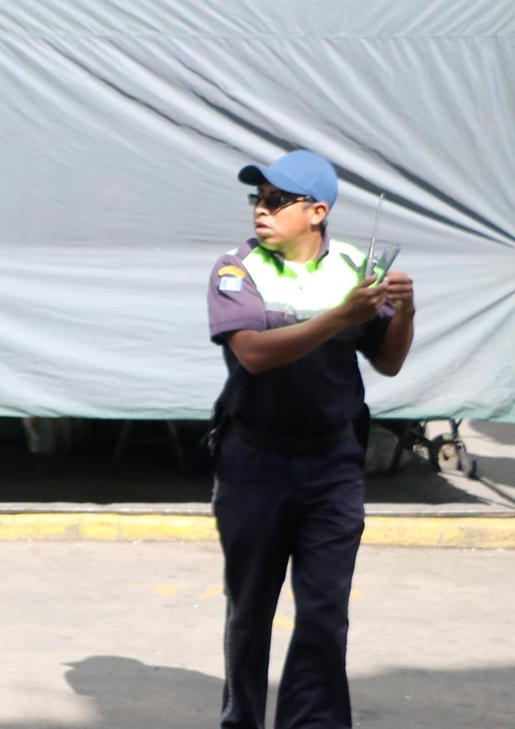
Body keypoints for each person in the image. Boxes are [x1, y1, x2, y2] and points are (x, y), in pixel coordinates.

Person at [206, 150, 415, 729]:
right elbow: (252, 354)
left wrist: (404, 313)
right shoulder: (237, 269)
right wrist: (340, 317)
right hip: (255, 461)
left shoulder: (354, 266)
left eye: (277, 200)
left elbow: (388, 362)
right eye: (258, 198)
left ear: (317, 211)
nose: (261, 210)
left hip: (332, 465)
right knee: (250, 611)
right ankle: (241, 720)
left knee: (325, 615)